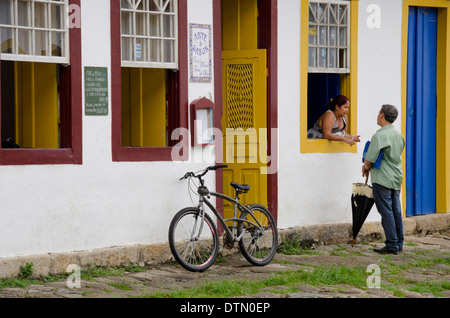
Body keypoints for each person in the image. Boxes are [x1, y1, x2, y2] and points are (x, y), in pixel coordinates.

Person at [362, 104, 405, 255]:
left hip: (382, 178)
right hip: (396, 177)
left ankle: (391, 244)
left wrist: (365, 166)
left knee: (386, 212)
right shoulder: (399, 135)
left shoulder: (379, 135)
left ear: (381, 114)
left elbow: (370, 158)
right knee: (395, 211)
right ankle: (399, 243)